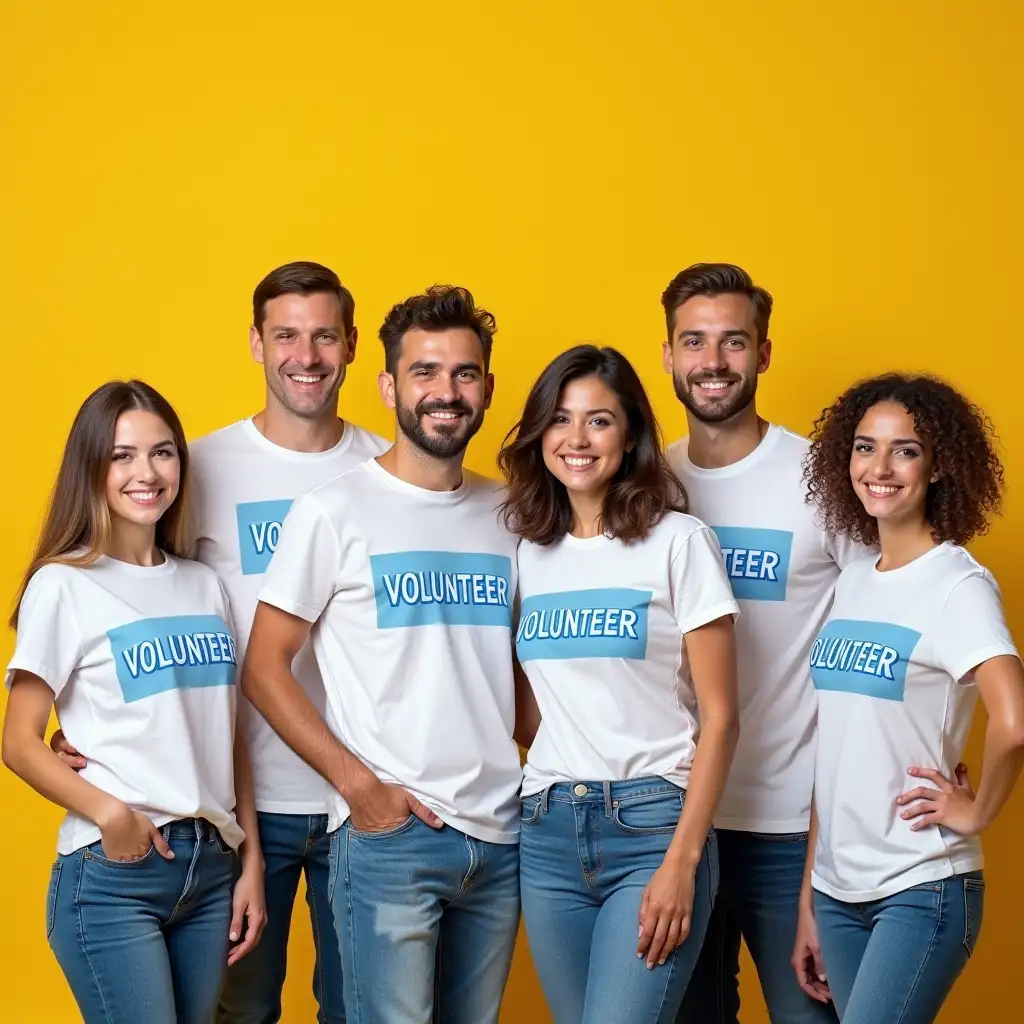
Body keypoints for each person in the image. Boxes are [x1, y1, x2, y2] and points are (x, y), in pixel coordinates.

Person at [50, 262, 388, 1024]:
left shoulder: (387, 471)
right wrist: (86, 712)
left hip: (361, 797)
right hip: (236, 807)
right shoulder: (192, 466)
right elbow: (135, 596)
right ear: (255, 344)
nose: (306, 355)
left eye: (325, 335)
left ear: (353, 346)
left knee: (363, 1010)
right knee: (238, 1014)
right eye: (286, 336)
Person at [240, 285, 524, 1024]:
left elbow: (527, 672)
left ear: (488, 388)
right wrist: (360, 790)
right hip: (392, 839)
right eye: (425, 372)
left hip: (499, 837)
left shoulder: (513, 515)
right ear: (389, 384)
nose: (445, 392)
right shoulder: (334, 510)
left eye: (464, 374)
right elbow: (265, 666)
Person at [2, 380, 266, 1024]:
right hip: (115, 875)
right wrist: (111, 816)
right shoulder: (65, 583)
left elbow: (227, 735)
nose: (146, 473)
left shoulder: (203, 585)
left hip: (210, 872)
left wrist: (250, 861)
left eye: (163, 452)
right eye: (122, 455)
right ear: (91, 466)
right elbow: (18, 740)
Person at [499, 344, 740, 1024]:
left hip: (653, 825)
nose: (577, 439)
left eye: (599, 421)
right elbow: (528, 707)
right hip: (546, 828)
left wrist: (682, 861)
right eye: (560, 419)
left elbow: (722, 717)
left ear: (630, 433)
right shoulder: (528, 553)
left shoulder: (679, 542)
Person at [795, 373, 1024, 1023]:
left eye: (906, 450)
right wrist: (811, 898)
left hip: (921, 884)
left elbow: (1014, 723)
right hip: (837, 892)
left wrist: (976, 812)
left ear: (940, 464)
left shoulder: (957, 585)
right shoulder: (853, 580)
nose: (880, 467)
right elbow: (835, 750)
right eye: (866, 447)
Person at [661, 263, 848, 1024]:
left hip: (791, 828)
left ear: (764, 353)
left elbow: (898, 608)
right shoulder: (649, 481)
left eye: (733, 341)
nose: (713, 362)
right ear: (668, 354)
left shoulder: (824, 479)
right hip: (675, 823)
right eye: (694, 341)